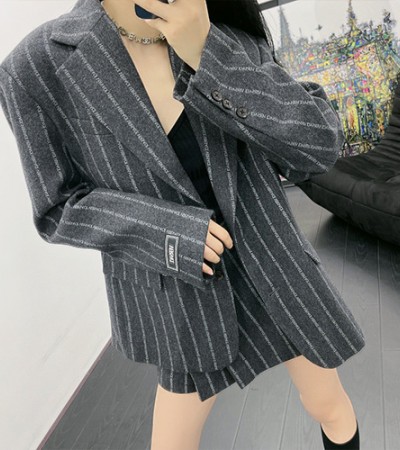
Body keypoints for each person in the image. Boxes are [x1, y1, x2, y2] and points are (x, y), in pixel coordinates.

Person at [0, 0, 364, 449]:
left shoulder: (223, 28)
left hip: (276, 266)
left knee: (329, 405)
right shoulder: (33, 66)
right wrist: (172, 234)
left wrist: (212, 58)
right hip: (181, 293)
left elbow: (319, 146)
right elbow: (57, 207)